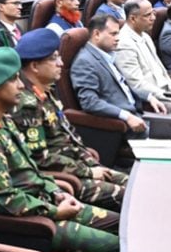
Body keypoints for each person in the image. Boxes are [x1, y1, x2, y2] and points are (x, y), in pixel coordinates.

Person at [0, 47, 120, 252]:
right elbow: (6, 199)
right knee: (115, 247)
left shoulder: (3, 118)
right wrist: (55, 211)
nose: (21, 85)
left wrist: (56, 191)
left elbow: (31, 171)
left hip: (44, 201)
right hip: (31, 223)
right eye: (13, 80)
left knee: (122, 224)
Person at [12, 29, 127, 212]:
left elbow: (68, 137)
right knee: (132, 196)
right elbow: (40, 158)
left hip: (76, 165)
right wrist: (88, 171)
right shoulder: (27, 104)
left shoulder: (45, 91)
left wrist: (90, 163)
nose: (61, 63)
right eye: (54, 59)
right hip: (63, 177)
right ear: (34, 66)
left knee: (134, 183)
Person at [72, 14, 165, 139]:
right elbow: (90, 102)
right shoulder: (85, 62)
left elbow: (122, 87)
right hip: (121, 127)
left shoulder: (107, 54)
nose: (118, 38)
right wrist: (126, 116)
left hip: (137, 114)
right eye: (113, 34)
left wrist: (149, 97)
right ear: (97, 34)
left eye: (118, 33)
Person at [115, 0, 171, 102]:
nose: (153, 18)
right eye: (148, 15)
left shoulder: (145, 36)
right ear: (133, 18)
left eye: (153, 13)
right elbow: (137, 84)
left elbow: (162, 72)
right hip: (152, 100)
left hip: (166, 91)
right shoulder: (124, 44)